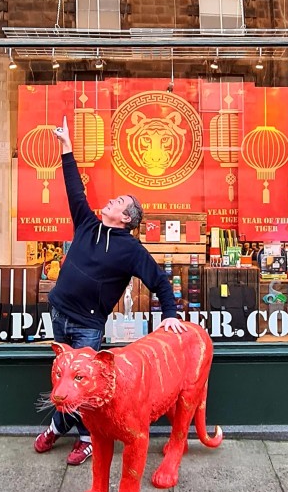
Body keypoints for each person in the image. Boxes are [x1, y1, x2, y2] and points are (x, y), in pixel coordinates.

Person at [34, 116, 186, 465]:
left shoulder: (130, 250)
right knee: (65, 380)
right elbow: (74, 188)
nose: (111, 201)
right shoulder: (87, 223)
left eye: (118, 201)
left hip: (87, 325)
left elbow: (161, 281)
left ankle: (78, 436)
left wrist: (170, 316)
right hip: (58, 312)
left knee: (84, 384)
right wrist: (66, 147)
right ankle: (69, 430)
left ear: (126, 218)